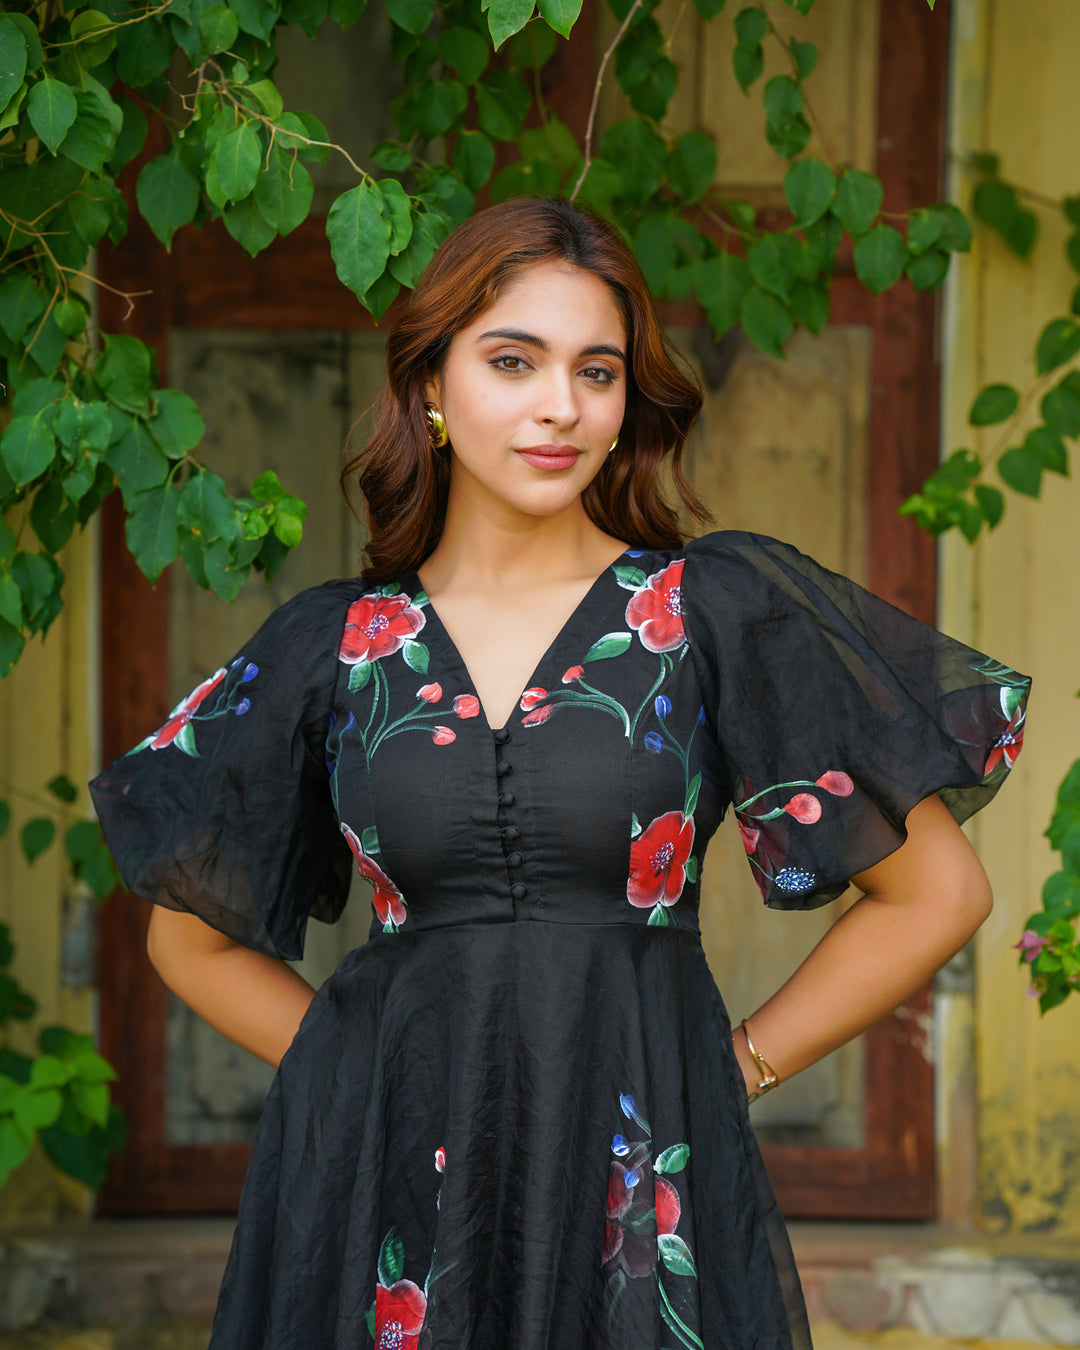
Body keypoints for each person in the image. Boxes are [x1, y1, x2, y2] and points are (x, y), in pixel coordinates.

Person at [90, 197, 1031, 1350]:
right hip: (390, 1216)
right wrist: (366, 1077)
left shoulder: (709, 614)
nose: (560, 406)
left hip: (639, 1198)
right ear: (431, 387)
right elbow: (185, 937)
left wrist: (725, 1072)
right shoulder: (331, 645)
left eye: (597, 371)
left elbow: (940, 894)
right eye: (512, 360)